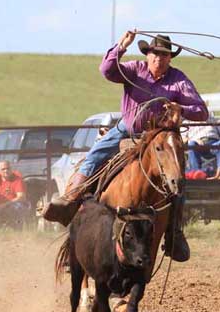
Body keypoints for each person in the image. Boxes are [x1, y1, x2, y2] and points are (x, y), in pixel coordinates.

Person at [43, 31, 209, 262]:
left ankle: (174, 233)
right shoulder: (135, 69)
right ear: (148, 54)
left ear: (170, 58)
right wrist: (121, 46)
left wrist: (182, 109)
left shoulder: (178, 79)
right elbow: (107, 71)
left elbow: (202, 111)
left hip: (158, 138)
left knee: (177, 177)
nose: (159, 59)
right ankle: (70, 200)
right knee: (95, 156)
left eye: (164, 55)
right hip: (128, 130)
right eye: (155, 54)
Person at [0, 161, 30, 228]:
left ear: (11, 169)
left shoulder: (17, 179)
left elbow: (21, 197)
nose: (6, 171)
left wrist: (4, 205)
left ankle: (17, 232)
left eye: (8, 168)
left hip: (13, 205)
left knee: (16, 207)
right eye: (3, 169)